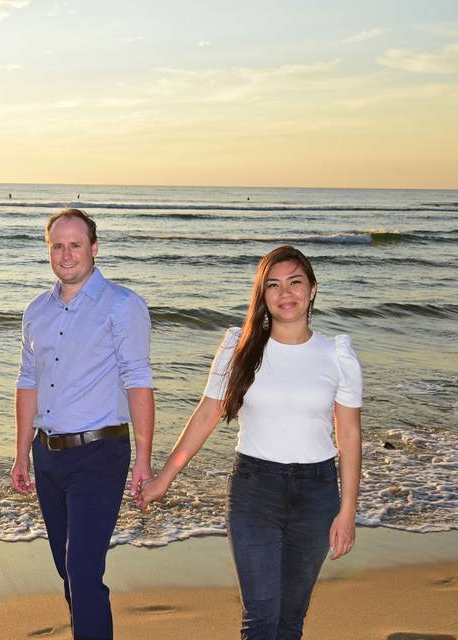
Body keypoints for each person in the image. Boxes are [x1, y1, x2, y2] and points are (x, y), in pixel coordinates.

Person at [137, 245, 362, 640]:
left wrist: (347, 511)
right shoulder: (238, 346)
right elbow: (206, 415)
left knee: (291, 620)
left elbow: (348, 435)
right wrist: (165, 477)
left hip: (317, 495)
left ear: (312, 289)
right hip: (254, 492)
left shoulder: (337, 354)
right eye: (272, 285)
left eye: (295, 282)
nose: (285, 293)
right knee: (259, 619)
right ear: (262, 295)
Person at [12, 208, 155, 639]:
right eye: (58, 246)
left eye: (76, 245)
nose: (67, 254)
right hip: (48, 455)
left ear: (94, 249)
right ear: (48, 251)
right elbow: (27, 381)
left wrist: (144, 458)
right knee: (68, 569)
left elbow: (138, 381)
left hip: (100, 453)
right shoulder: (36, 311)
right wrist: (21, 452)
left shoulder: (122, 305)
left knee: (82, 570)